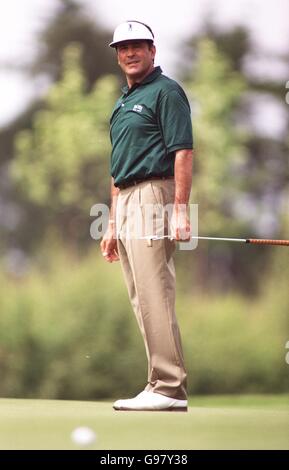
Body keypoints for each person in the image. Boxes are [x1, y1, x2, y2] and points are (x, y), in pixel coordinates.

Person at [100, 20, 193, 412]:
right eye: (123, 48)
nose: (130, 53)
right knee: (142, 298)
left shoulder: (166, 92)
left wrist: (181, 210)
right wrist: (111, 222)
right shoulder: (122, 102)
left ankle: (169, 387)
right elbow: (117, 167)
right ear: (118, 55)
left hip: (155, 194)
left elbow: (183, 152)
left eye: (137, 46)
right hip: (127, 199)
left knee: (156, 293)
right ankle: (159, 383)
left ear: (152, 50)